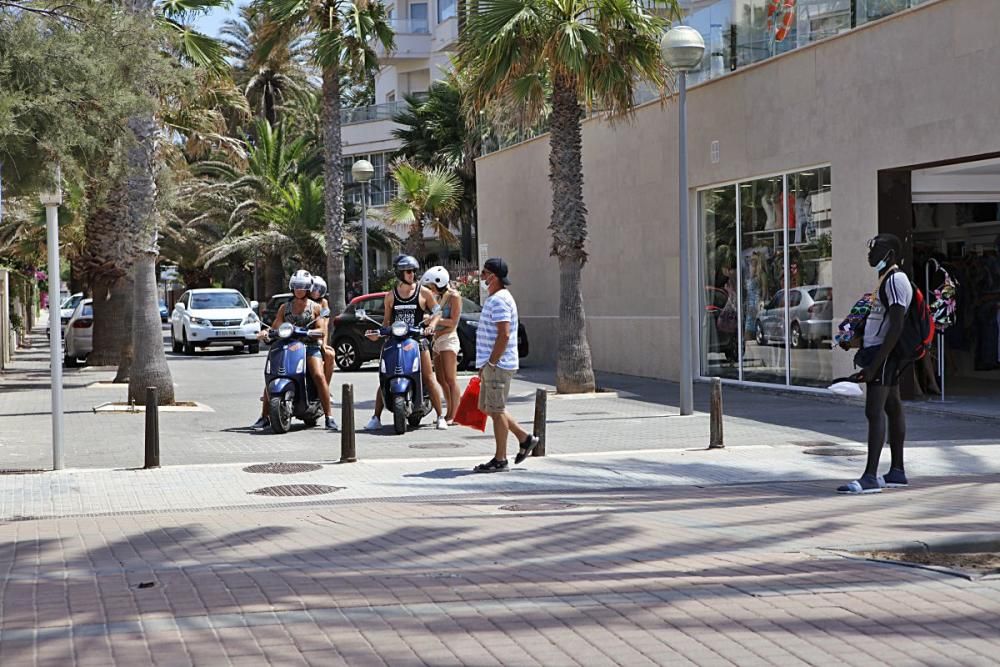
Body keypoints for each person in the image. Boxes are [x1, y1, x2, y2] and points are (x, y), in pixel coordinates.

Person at [837, 233, 910, 494]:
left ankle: (869, 477)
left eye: (875, 250)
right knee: (892, 407)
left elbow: (896, 326)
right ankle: (897, 472)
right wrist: (855, 341)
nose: (870, 255)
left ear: (889, 254)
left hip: (884, 355)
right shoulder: (885, 280)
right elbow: (880, 323)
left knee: (874, 411)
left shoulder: (896, 281)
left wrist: (875, 365)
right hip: (880, 353)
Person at [364, 255, 448, 431]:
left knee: (428, 376)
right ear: (399, 273)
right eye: (408, 272)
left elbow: (437, 311)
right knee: (385, 377)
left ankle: (440, 416)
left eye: (414, 271)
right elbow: (386, 323)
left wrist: (431, 325)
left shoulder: (423, 292)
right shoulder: (390, 296)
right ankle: (376, 416)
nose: (412, 275)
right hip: (395, 341)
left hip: (417, 340)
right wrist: (377, 334)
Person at [472, 257, 539, 473]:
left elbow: (504, 333)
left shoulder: (500, 300)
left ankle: (500, 459)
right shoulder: (496, 298)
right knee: (487, 407)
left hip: (498, 365)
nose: (481, 276)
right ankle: (524, 438)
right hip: (491, 365)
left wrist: (492, 362)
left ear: (493, 276)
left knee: (497, 409)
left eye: (484, 273)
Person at [250, 270, 338, 431]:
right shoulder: (285, 308)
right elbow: (275, 325)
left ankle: (329, 416)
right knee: (274, 374)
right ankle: (264, 417)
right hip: (287, 345)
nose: (299, 290)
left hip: (309, 346)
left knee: (318, 374)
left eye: (303, 287)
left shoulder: (316, 308)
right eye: (297, 286)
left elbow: (322, 328)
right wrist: (265, 332)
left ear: (308, 288)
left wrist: (314, 333)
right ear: (292, 287)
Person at [421, 266, 462, 424]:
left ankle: (455, 414)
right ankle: (448, 412)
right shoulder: (436, 297)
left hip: (448, 339)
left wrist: (432, 319)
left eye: (431, 286)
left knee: (451, 379)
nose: (430, 289)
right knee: (440, 378)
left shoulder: (454, 296)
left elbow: (453, 322)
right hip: (436, 340)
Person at [309, 276, 336, 385]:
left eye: (319, 290)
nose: (316, 292)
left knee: (330, 355)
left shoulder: (323, 303)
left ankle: (325, 388)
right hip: (299, 339)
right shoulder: (298, 301)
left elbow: (325, 324)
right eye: (314, 289)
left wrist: (323, 344)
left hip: (316, 339)